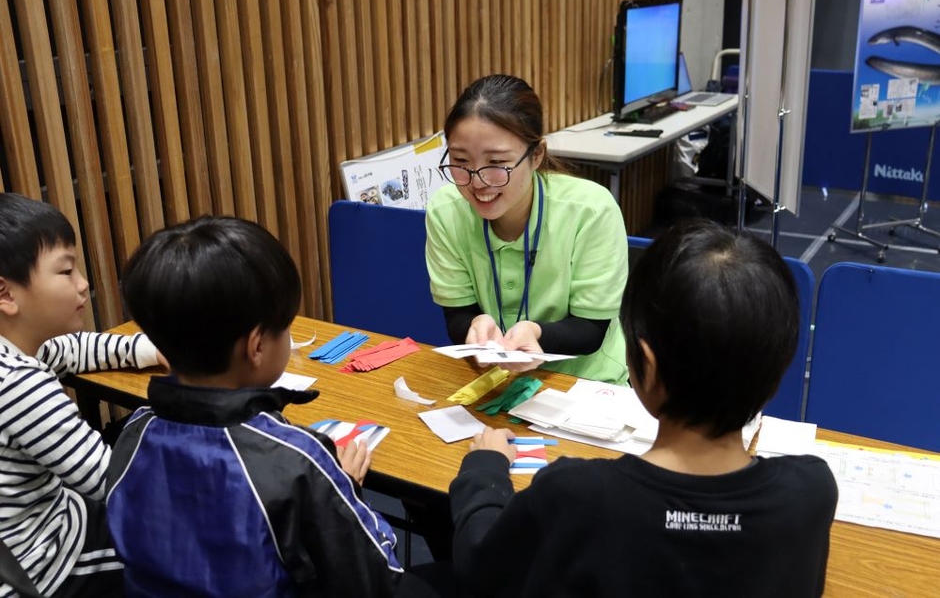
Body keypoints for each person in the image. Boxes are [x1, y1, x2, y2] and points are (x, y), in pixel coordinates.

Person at [449, 219, 838, 597]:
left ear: (646, 366)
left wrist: (484, 470)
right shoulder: (810, 491)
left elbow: (479, 568)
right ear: (777, 368)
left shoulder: (574, 494)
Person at [108, 216, 446, 597]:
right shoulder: (298, 461)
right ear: (256, 346)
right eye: (287, 326)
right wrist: (342, 491)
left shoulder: (131, 435)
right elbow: (376, 577)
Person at [0, 193, 164, 598]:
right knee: (181, 545)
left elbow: (73, 349)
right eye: (66, 270)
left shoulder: (15, 352)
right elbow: (116, 483)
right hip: (44, 562)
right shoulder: (20, 384)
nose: (83, 284)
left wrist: (151, 350)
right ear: (6, 295)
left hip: (31, 533)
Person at [425, 74, 629, 384]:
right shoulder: (446, 211)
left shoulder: (591, 211)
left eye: (496, 163)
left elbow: (591, 329)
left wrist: (536, 333)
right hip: (498, 380)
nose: (477, 182)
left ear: (536, 155)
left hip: (585, 382)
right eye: (461, 161)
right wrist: (474, 326)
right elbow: (457, 315)